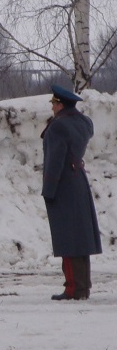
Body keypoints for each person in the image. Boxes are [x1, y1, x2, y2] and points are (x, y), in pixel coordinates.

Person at [41, 84, 101, 301]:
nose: (52, 108)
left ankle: (74, 288)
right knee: (80, 238)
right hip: (79, 180)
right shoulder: (84, 123)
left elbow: (54, 161)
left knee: (68, 237)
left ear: (60, 104)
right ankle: (82, 286)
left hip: (63, 184)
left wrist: (48, 188)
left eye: (54, 104)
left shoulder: (58, 127)